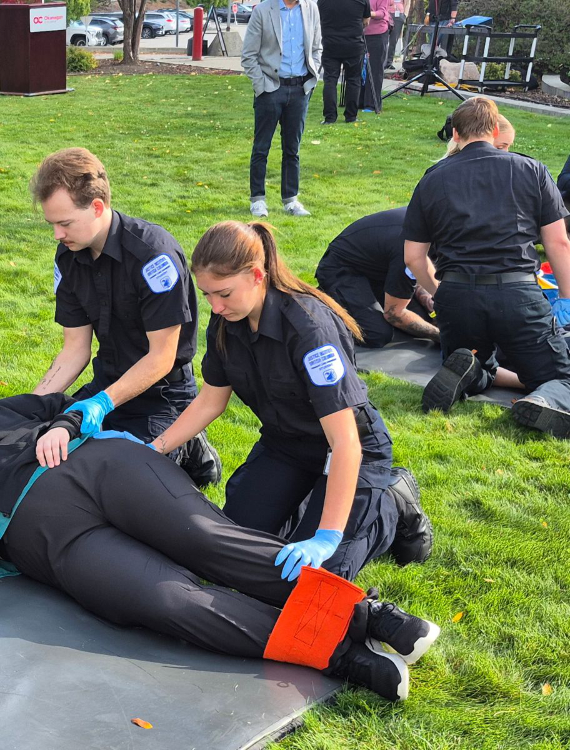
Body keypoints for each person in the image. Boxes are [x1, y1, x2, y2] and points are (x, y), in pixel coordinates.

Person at [0, 395, 440, 703]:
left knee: (210, 542)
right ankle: (340, 656)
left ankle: (370, 616)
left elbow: (65, 399)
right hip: (56, 543)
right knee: (170, 601)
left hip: (93, 469)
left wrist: (68, 422)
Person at [155, 221, 435, 577]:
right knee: (232, 548)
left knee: (316, 574)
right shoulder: (225, 321)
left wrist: (327, 536)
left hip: (349, 450)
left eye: (223, 293)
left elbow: (345, 441)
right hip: (285, 446)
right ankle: (305, 502)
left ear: (258, 275)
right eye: (207, 294)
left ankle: (392, 502)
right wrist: (157, 446)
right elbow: (211, 401)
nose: (215, 306)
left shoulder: (308, 327)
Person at [28, 148, 221, 487]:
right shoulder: (69, 257)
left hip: (163, 394)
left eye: (65, 223)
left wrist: (100, 405)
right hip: (108, 384)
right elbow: (75, 350)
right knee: (46, 454)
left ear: (97, 207)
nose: (57, 235)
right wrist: (31, 405)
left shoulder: (153, 257)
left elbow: (162, 357)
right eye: (52, 225)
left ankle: (187, 444)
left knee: (125, 482)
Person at [403, 97, 570, 438]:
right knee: (561, 374)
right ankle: (546, 398)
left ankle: (471, 373)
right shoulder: (531, 169)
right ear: (495, 130)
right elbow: (559, 243)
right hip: (517, 293)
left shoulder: (432, 178)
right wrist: (566, 297)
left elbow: (413, 258)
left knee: (473, 358)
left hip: (457, 295)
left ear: (455, 133)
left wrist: (439, 293)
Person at [241, 0, 323, 219]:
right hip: (270, 88)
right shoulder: (263, 10)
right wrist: (261, 86)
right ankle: (257, 199)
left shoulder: (310, 8)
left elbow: (316, 47)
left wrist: (312, 78)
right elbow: (248, 54)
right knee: (261, 148)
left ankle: (291, 200)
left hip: (300, 89)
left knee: (292, 149)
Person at [315, 208, 438, 348]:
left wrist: (434, 307)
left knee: (424, 318)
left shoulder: (433, 229)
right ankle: (321, 303)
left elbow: (420, 273)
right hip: (342, 269)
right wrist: (438, 335)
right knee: (375, 333)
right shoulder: (407, 247)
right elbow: (394, 314)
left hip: (380, 269)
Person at [318, 0, 370, 125]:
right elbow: (366, 21)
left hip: (331, 44)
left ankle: (330, 117)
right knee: (353, 80)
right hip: (353, 44)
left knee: (330, 80)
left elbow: (319, 18)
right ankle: (351, 116)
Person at [362, 0, 391, 114]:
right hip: (360, 33)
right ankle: (358, 101)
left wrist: (367, 13)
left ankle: (372, 104)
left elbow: (382, 13)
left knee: (375, 69)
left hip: (377, 34)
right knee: (359, 69)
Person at [386, 0, 410, 70]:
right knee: (383, 38)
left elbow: (407, 3)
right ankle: (381, 60)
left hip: (399, 15)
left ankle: (389, 62)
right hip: (386, 14)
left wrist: (404, 15)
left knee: (393, 40)